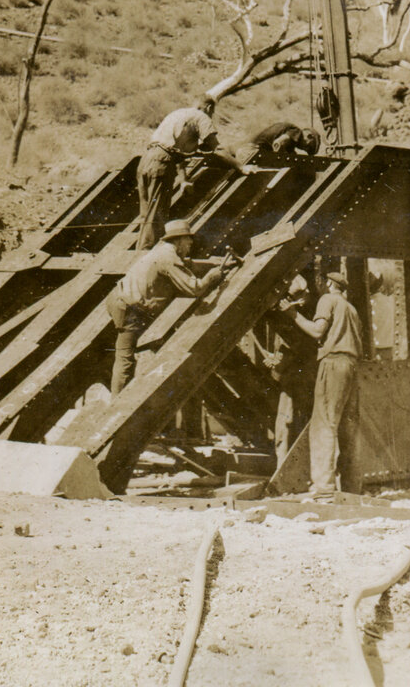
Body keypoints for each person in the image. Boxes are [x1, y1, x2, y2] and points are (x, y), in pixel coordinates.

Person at [106, 218, 238, 395]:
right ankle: (118, 400)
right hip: (129, 308)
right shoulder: (168, 258)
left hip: (120, 299)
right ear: (178, 240)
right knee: (125, 357)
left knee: (128, 351)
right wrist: (213, 276)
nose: (191, 243)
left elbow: (186, 264)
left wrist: (214, 263)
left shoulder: (161, 251)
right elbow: (195, 288)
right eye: (187, 239)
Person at [287, 269, 363, 499]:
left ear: (329, 284)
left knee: (324, 425)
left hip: (333, 363)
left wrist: (293, 315)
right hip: (352, 366)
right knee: (349, 428)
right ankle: (352, 487)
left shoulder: (327, 300)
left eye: (321, 281)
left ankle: (324, 487)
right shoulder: (352, 309)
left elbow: (317, 330)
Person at [136, 97, 247, 249]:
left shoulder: (177, 114)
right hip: (161, 164)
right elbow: (217, 149)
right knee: (157, 214)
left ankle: (141, 251)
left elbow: (176, 151)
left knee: (146, 214)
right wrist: (241, 167)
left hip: (145, 160)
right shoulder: (201, 117)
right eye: (212, 112)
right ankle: (147, 254)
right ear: (208, 108)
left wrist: (182, 180)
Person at [257, 274, 319, 469]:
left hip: (297, 378)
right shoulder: (302, 312)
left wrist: (277, 362)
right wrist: (276, 359)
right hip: (298, 377)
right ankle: (291, 464)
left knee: (286, 421)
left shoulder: (299, 314)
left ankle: (285, 465)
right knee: (292, 421)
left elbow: (299, 345)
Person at [237, 122, 320, 165]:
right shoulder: (296, 131)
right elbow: (277, 144)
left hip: (244, 150)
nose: (304, 149)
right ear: (309, 136)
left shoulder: (291, 140)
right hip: (252, 152)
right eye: (308, 147)